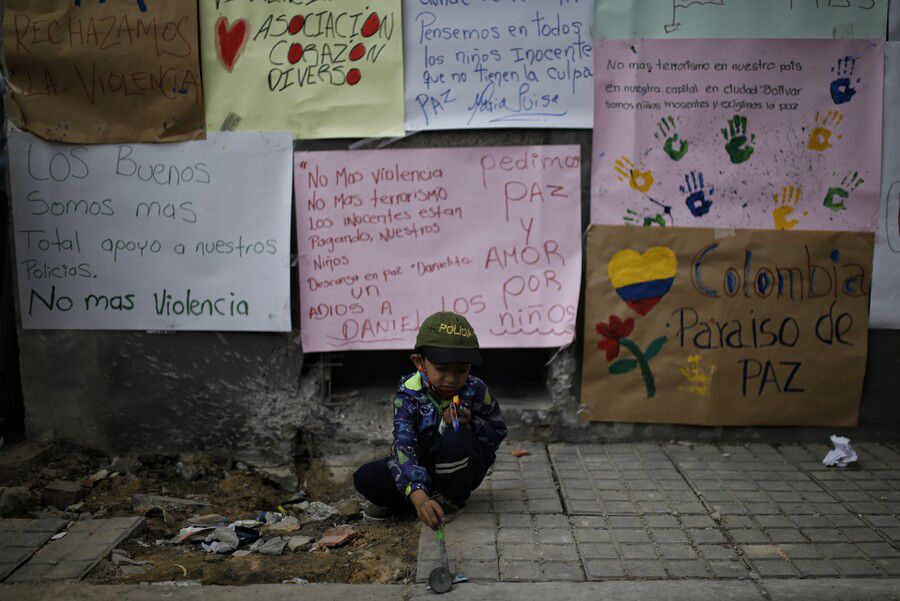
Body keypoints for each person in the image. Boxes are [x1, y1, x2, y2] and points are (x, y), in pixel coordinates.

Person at [353, 311, 507, 528]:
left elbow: (498, 431)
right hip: (422, 466)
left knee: (456, 436)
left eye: (461, 370)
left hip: (459, 468)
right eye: (442, 369)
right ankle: (423, 502)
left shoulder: (476, 389)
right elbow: (403, 444)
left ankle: (450, 500)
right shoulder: (409, 393)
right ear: (419, 362)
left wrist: (471, 424)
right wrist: (418, 493)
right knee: (366, 478)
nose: (452, 379)